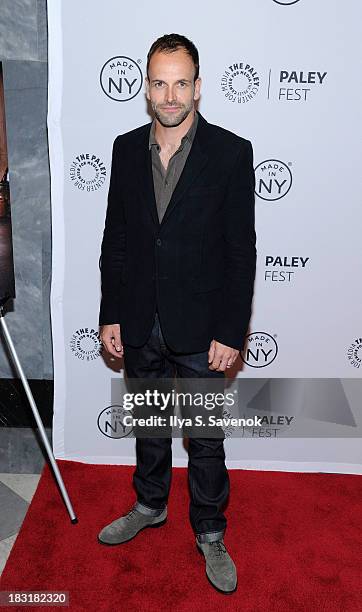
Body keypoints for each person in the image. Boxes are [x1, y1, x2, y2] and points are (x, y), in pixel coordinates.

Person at [97, 33, 256, 594]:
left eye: (180, 83)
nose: (170, 95)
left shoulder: (232, 153)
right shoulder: (123, 148)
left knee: (206, 437)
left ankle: (210, 532)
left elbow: (241, 252)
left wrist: (230, 330)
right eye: (160, 83)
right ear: (146, 87)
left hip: (201, 327)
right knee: (150, 423)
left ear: (198, 87)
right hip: (141, 318)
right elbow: (116, 238)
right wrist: (111, 313)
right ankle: (149, 504)